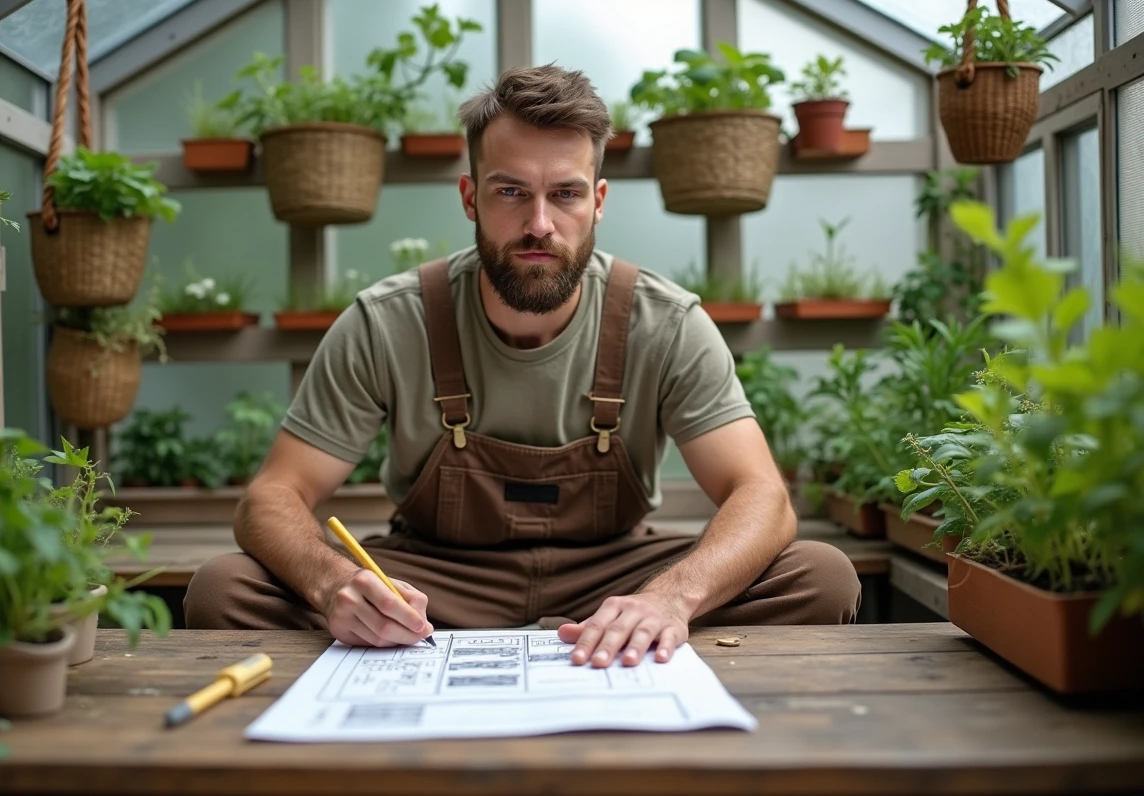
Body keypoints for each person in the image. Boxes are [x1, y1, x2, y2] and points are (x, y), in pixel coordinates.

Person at [184, 64, 862, 668]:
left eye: (565, 194)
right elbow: (272, 496)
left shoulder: (666, 321)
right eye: (511, 192)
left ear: (598, 202)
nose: (539, 223)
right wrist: (336, 585)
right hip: (433, 585)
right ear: (470, 197)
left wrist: (671, 598)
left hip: (615, 576)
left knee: (821, 576)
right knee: (225, 589)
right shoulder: (386, 321)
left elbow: (762, 495)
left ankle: (645, 642)